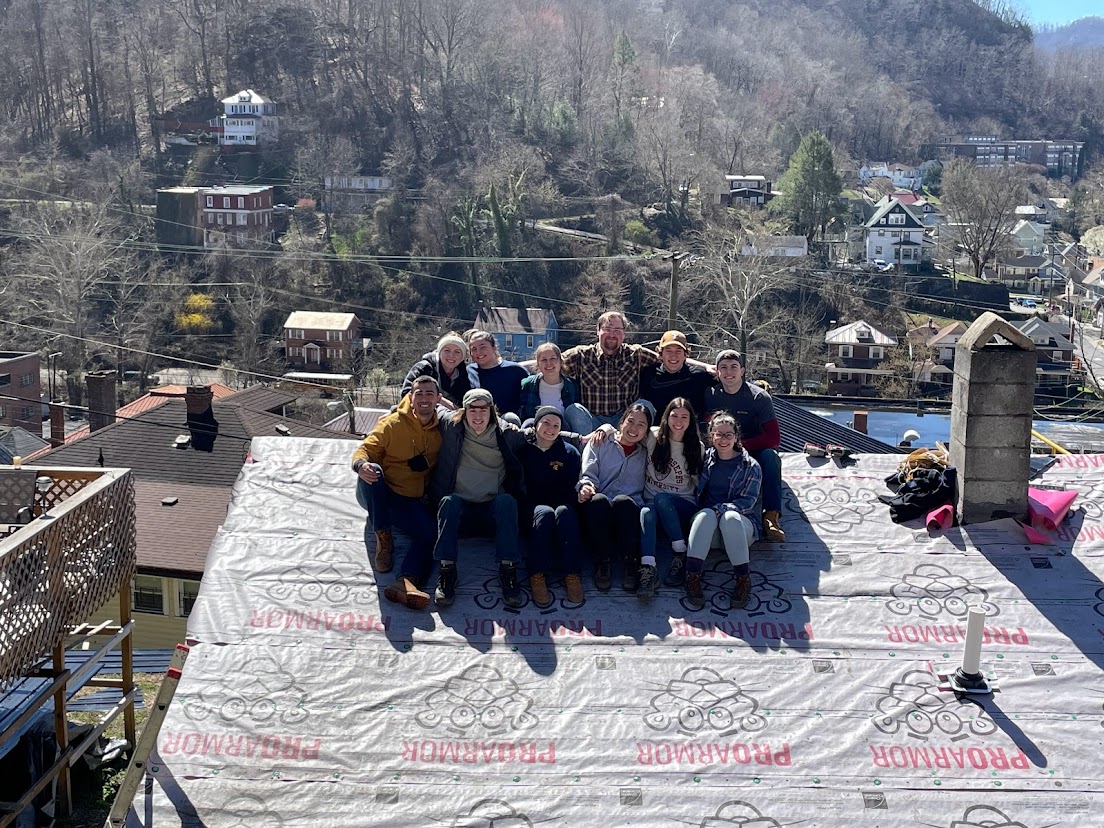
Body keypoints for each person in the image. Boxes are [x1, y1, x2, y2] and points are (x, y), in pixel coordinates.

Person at [429, 388, 528, 608]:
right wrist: (393, 412)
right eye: (472, 409)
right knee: (448, 502)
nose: (478, 415)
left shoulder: (506, 434)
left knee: (507, 501)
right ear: (464, 411)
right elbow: (426, 407)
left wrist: (583, 437)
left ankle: (508, 570)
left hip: (491, 512)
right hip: (461, 512)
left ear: (492, 411)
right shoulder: (451, 426)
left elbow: (544, 432)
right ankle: (446, 571)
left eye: (483, 409)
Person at [351, 375, 442, 609]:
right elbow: (365, 449)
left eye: (429, 394)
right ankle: (383, 537)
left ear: (438, 399)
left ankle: (405, 583)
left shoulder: (442, 430)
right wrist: (361, 465)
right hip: (378, 492)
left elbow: (472, 415)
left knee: (430, 534)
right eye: (419, 394)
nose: (424, 399)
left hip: (408, 500)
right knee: (374, 470)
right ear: (410, 398)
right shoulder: (392, 424)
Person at [702, 350, 785, 543]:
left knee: (771, 457)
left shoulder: (759, 397)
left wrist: (740, 445)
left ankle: (771, 516)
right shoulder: (710, 395)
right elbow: (706, 427)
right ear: (717, 372)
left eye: (734, 367)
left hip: (754, 449)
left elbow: (774, 437)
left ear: (742, 371)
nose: (729, 372)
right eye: (723, 367)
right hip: (723, 448)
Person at [685, 413, 762, 610]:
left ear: (736, 437)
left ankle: (743, 579)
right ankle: (692, 576)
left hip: (739, 529)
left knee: (729, 517)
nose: (723, 439)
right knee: (706, 515)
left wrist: (720, 509)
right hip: (708, 529)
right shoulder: (705, 458)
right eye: (719, 434)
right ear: (711, 436)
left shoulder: (751, 466)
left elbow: (748, 502)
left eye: (728, 435)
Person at [577, 402, 653, 592]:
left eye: (641, 425)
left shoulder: (646, 453)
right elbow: (588, 473)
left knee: (624, 502)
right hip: (600, 510)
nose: (634, 428)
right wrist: (586, 487)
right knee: (598, 501)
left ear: (646, 431)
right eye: (630, 421)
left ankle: (630, 563)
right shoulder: (601, 441)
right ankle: (602, 561)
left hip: (627, 514)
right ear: (622, 422)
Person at [517, 406, 586, 605]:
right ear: (536, 424)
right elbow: (517, 486)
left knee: (565, 512)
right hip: (532, 510)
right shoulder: (523, 452)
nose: (551, 428)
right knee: (544, 512)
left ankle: (571, 573)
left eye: (556, 425)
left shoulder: (569, 452)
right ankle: (537, 573)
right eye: (546, 423)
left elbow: (573, 487)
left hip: (561, 508)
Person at [640, 397, 705, 593]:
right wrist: (605, 428)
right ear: (666, 417)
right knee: (646, 512)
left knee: (662, 499)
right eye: (674, 416)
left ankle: (680, 553)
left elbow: (699, 484)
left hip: (681, 506)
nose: (678, 421)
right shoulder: (652, 436)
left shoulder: (696, 447)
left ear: (691, 420)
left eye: (684, 417)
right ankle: (648, 568)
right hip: (653, 505)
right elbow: (626, 433)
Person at [561, 311, 660, 433]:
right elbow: (551, 361)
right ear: (598, 331)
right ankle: (587, 444)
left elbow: (667, 360)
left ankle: (633, 444)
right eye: (607, 329)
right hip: (592, 421)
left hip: (624, 421)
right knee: (573, 410)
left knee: (645, 405)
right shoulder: (581, 355)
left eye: (617, 330)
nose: (612, 334)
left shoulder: (636, 355)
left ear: (624, 334)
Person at [638, 330, 714, 420]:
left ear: (685, 354)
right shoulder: (648, 374)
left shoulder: (699, 375)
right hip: (657, 427)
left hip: (691, 427)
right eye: (668, 351)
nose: (673, 356)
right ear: (661, 354)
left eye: (678, 351)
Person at [518, 342, 588, 432]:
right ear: (538, 364)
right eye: (544, 360)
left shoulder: (572, 386)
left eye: (553, 359)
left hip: (564, 433)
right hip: (536, 432)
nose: (549, 363)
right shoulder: (528, 384)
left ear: (560, 361)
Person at [401, 332, 477, 408]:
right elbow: (406, 394)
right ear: (439, 352)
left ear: (462, 357)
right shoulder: (424, 368)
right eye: (447, 350)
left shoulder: (465, 374)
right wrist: (439, 400)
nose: (451, 355)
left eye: (457, 352)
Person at [467, 331, 530, 417]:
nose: (478, 352)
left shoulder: (515, 371)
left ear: (494, 348)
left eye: (483, 347)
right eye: (474, 349)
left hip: (509, 421)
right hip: (478, 420)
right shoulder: (469, 371)